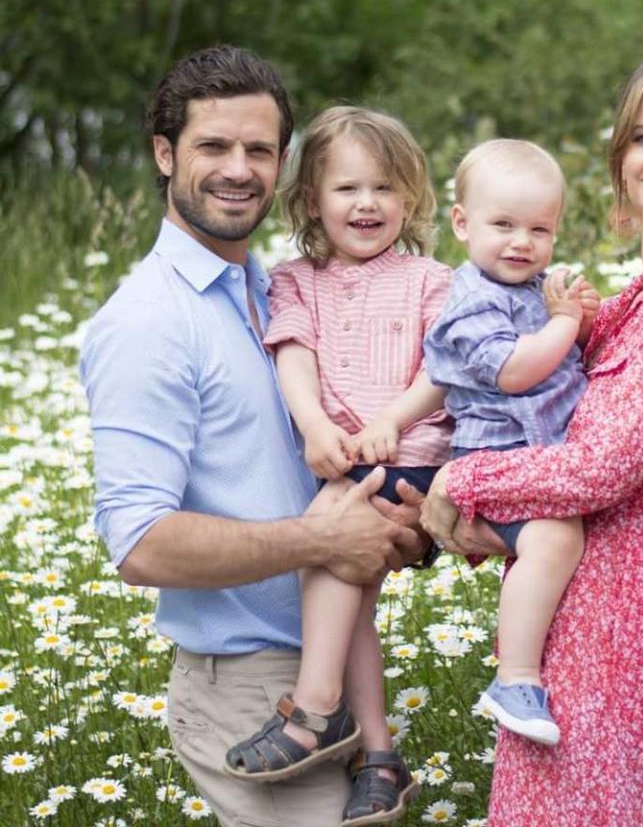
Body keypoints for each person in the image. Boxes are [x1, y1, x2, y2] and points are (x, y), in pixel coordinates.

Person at [80, 46, 424, 827]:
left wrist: (392, 529)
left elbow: (328, 486)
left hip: (333, 661)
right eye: (213, 146)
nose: (238, 169)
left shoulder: (280, 290)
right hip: (246, 687)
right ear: (165, 155)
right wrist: (319, 540)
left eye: (259, 150)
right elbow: (140, 544)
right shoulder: (148, 325)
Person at [420, 53, 643, 826]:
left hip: (625, 610)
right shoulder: (638, 301)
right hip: (576, 598)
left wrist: (461, 482)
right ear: (621, 163)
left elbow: (600, 469)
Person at [223, 106, 452, 826]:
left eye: (385, 188)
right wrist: (314, 424)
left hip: (410, 460)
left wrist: (391, 420)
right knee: (348, 599)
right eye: (347, 188)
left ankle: (315, 711)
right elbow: (294, 352)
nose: (367, 204)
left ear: (410, 198)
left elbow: (447, 367)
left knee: (325, 539)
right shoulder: (297, 279)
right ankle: (379, 757)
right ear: (313, 200)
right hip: (343, 460)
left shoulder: (430, 280)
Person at [423, 139, 599, 746]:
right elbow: (515, 371)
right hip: (494, 458)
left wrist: (584, 316)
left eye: (539, 228)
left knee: (559, 541)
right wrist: (565, 324)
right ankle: (516, 678)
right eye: (503, 225)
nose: (522, 242)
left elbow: (567, 349)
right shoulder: (471, 300)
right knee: (553, 538)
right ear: (462, 224)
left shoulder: (537, 287)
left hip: (538, 453)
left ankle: (528, 672)